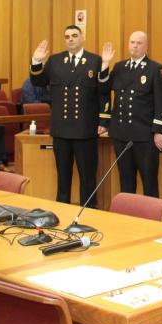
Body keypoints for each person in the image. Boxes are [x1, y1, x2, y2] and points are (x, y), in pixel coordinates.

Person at [29, 25, 103, 205]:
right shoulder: (55, 61)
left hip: (85, 129)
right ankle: (62, 210)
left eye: (74, 35)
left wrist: (104, 121)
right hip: (61, 129)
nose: (70, 39)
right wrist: (36, 61)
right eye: (67, 36)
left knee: (87, 178)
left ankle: (89, 212)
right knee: (63, 177)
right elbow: (38, 81)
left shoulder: (95, 60)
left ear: (82, 37)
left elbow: (103, 93)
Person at [98, 31, 162, 197]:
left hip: (144, 135)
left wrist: (158, 131)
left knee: (149, 181)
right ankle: (129, 220)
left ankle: (151, 221)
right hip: (121, 134)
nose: (135, 46)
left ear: (146, 46)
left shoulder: (155, 69)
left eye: (139, 43)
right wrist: (105, 65)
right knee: (126, 180)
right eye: (132, 42)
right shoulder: (120, 67)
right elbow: (103, 89)